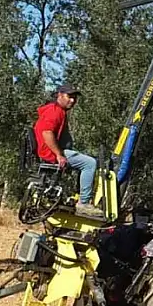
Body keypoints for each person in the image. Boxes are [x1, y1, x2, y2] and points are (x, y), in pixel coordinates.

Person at [33, 84, 97, 213]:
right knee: (90, 163)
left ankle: (76, 196)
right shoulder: (55, 111)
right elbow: (47, 133)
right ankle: (84, 203)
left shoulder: (53, 110)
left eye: (74, 98)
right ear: (60, 95)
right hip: (49, 153)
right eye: (69, 96)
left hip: (48, 151)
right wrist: (59, 155)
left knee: (82, 158)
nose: (72, 100)